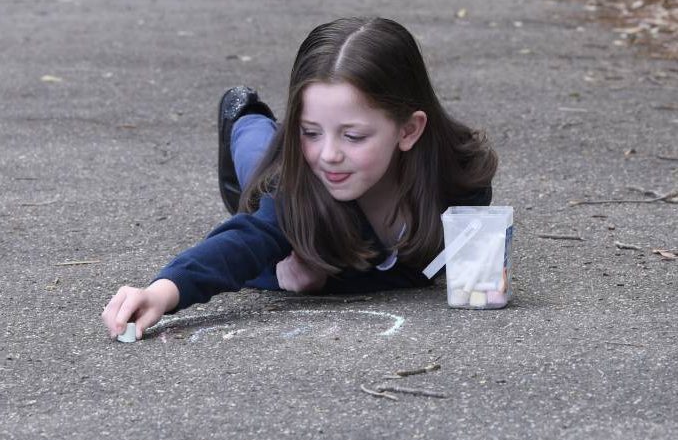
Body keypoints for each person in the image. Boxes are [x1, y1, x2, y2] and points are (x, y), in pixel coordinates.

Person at [101, 17, 497, 339]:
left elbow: (412, 274)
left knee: (273, 170)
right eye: (309, 130)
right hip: (283, 174)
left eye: (353, 135)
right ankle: (243, 116)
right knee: (260, 164)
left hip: (299, 178)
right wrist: (161, 291)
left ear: (409, 131)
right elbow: (243, 243)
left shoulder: (461, 186)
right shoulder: (298, 188)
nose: (328, 153)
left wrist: (328, 280)